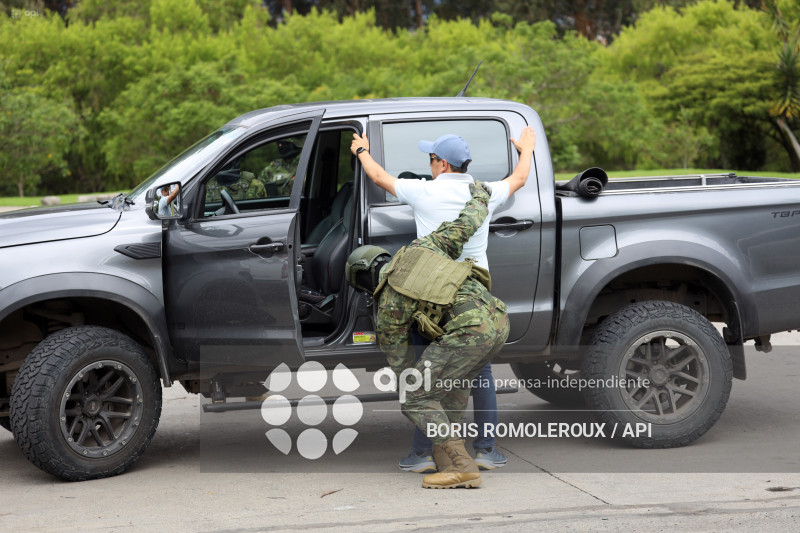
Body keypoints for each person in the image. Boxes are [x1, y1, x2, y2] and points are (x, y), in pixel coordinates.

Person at [350, 126, 536, 472]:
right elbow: (521, 178)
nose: (430, 166)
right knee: (478, 373)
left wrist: (361, 149)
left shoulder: (423, 192)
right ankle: (485, 450)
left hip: (429, 296)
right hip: (473, 291)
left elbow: (377, 176)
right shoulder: (486, 191)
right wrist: (526, 149)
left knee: (425, 373)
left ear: (442, 164)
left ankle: (423, 454)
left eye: (431, 159)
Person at [345, 181, 509, 489]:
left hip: (467, 331)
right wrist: (481, 195)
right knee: (453, 391)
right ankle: (447, 458)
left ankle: (462, 466)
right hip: (497, 319)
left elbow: (404, 369)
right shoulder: (427, 245)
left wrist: (415, 384)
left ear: (364, 280)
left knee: (415, 396)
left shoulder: (388, 303)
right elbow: (467, 223)